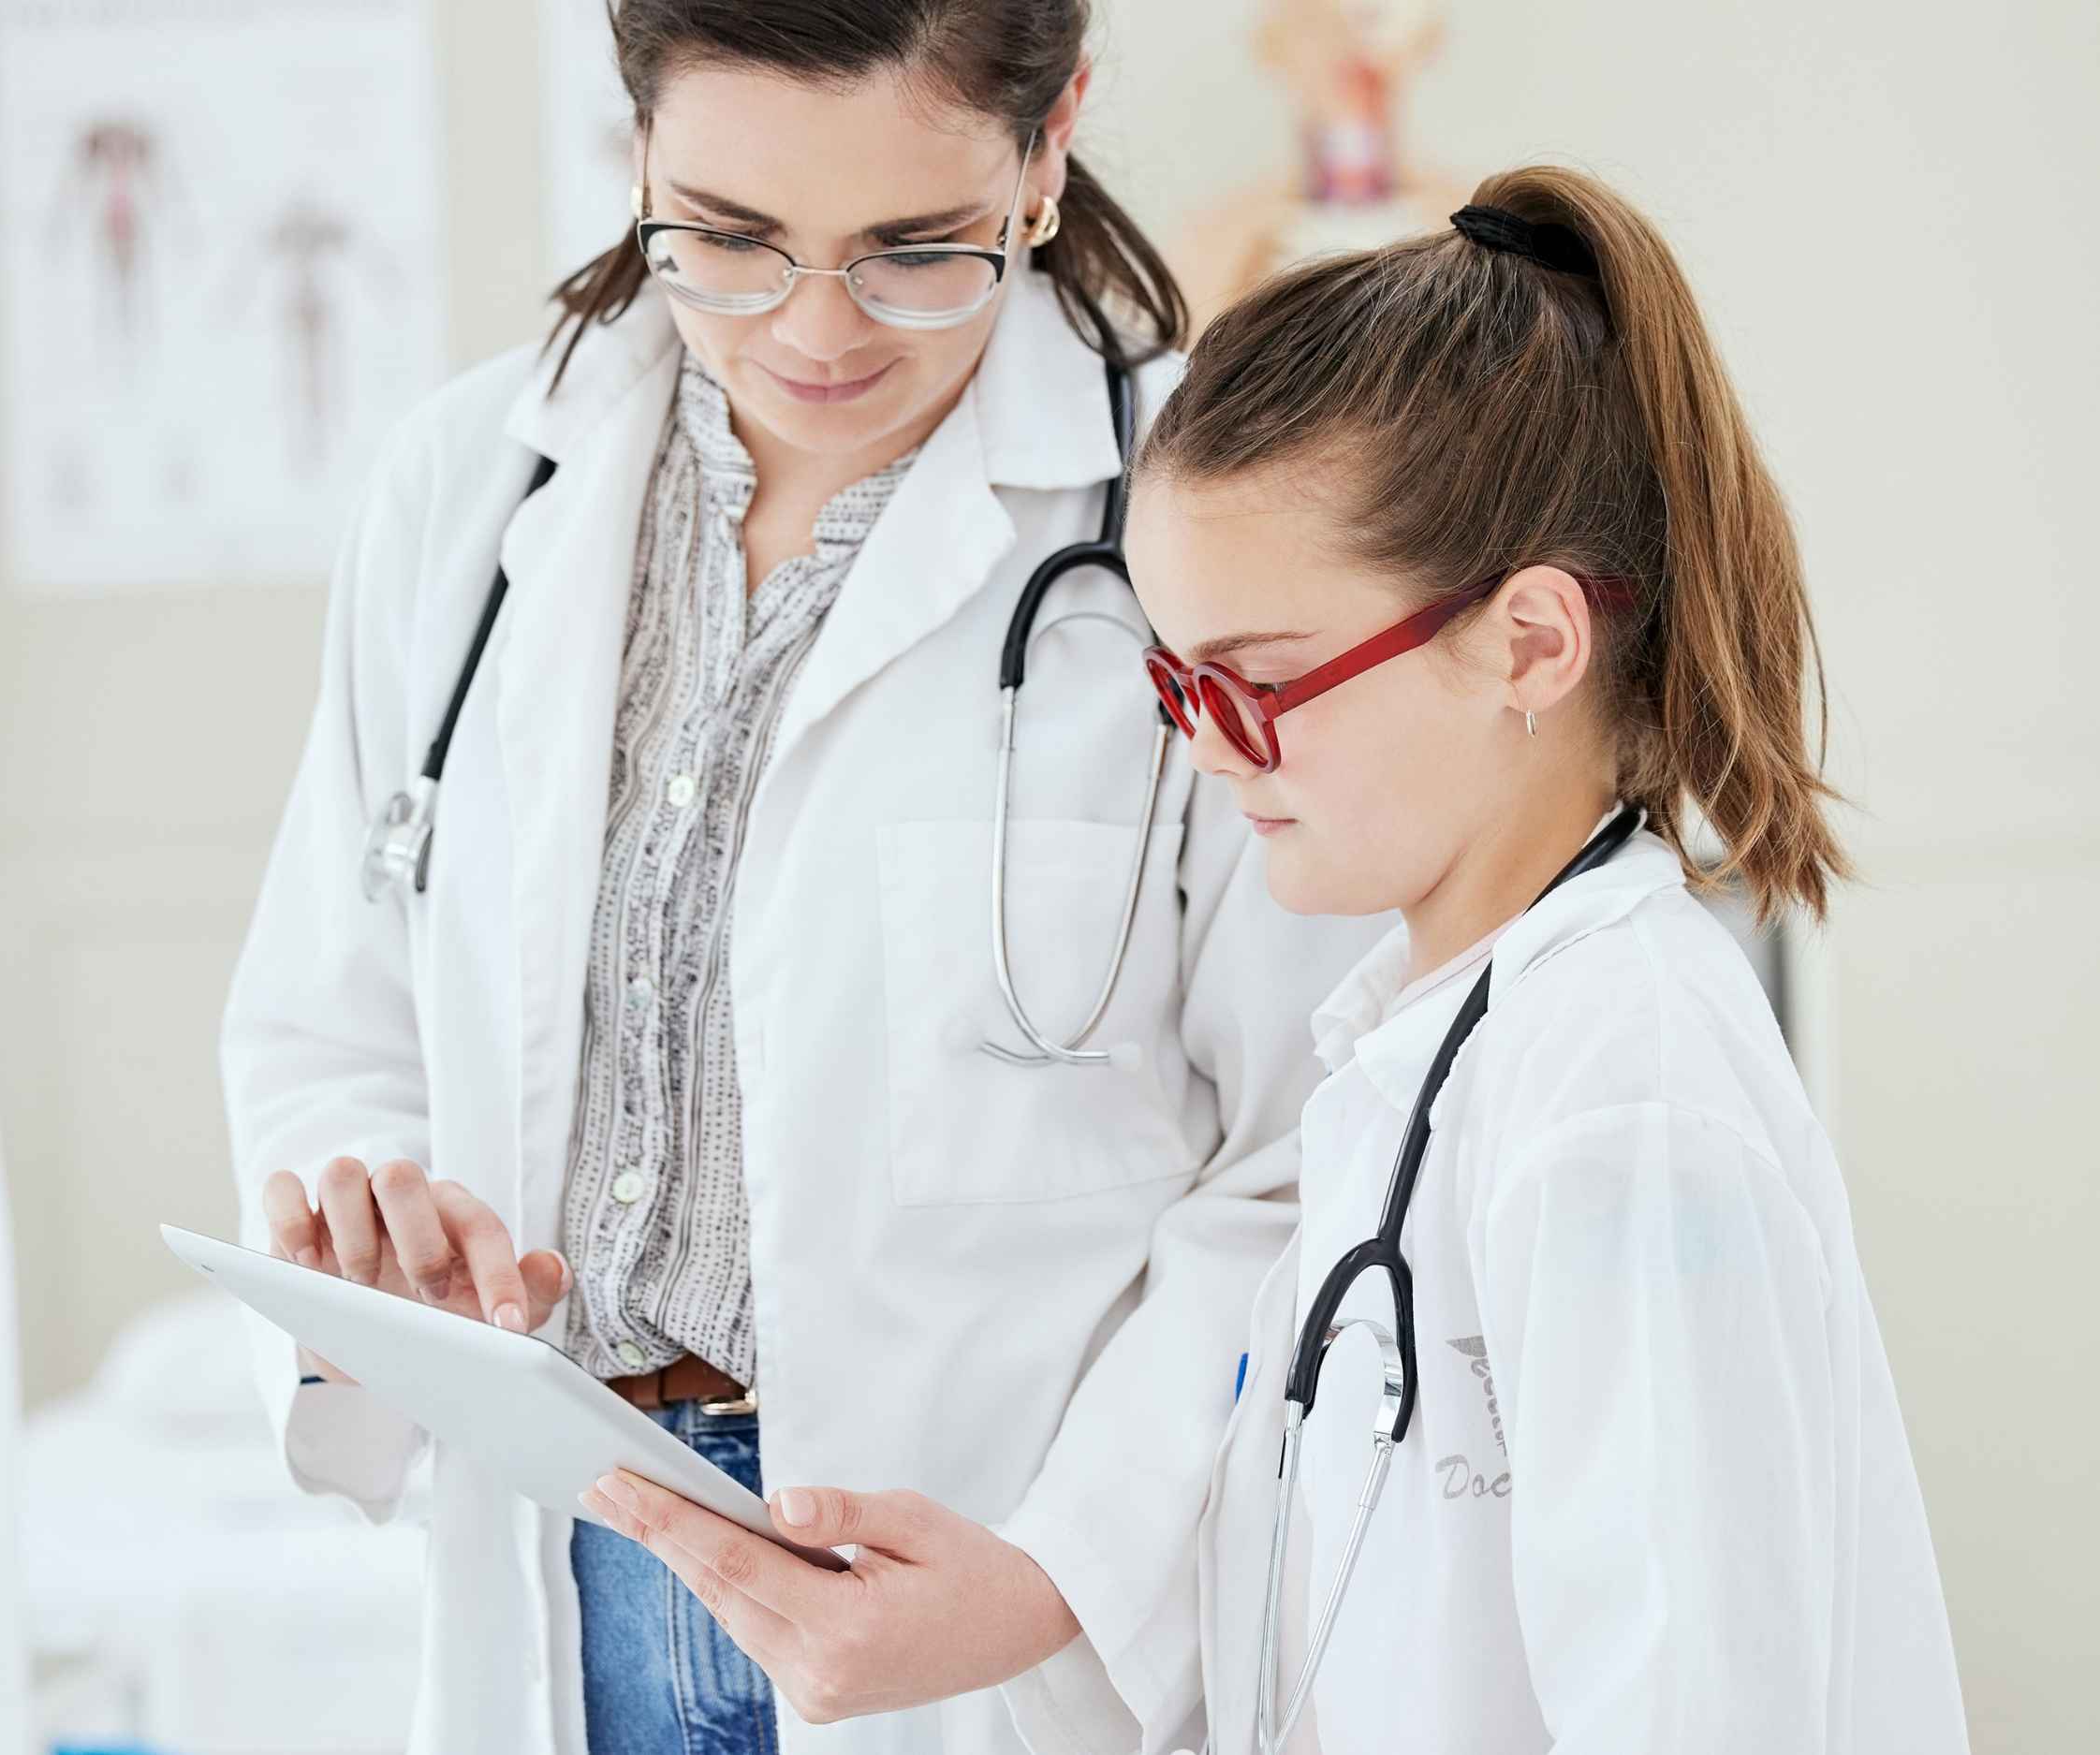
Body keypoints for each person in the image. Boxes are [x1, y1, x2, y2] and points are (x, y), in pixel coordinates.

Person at [576, 164, 1968, 1753]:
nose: (1209, 758)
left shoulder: (1618, 1099)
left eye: (1251, 688)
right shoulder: (1421, 1049)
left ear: (1526, 644)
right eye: (1176, 694)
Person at [218, 4, 1375, 1752]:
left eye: (915, 252)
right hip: (571, 1551)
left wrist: (1059, 1571)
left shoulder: (1200, 519)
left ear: (1051, 137)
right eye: (729, 242)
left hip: (982, 1609)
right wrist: (370, 1258)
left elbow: (1306, 1148)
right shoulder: (468, 492)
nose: (815, 331)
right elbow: (331, 1017)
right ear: (635, 149)